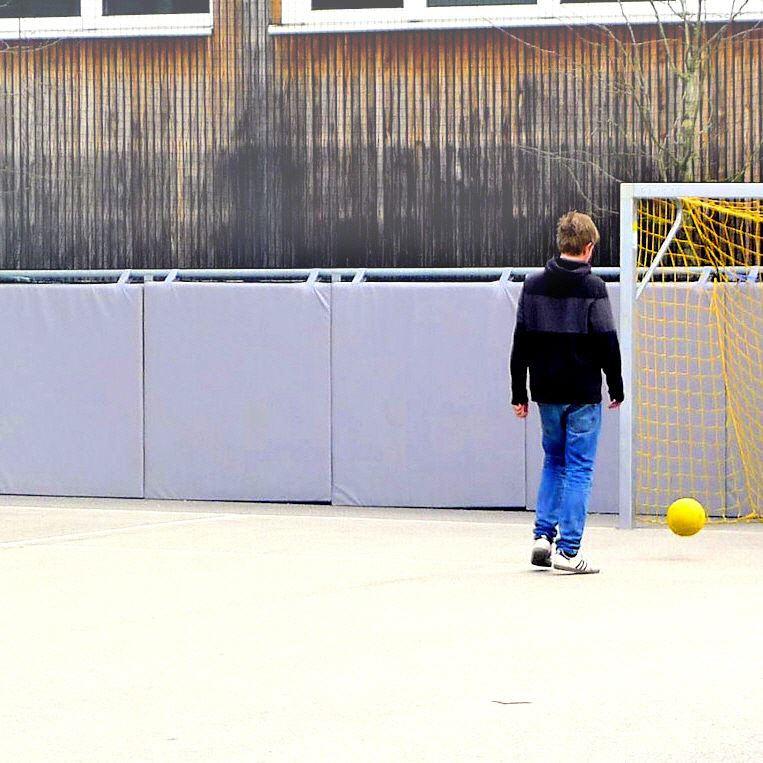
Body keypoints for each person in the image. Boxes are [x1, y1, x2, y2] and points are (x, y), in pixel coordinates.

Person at [510, 211, 624, 574]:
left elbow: (521, 342)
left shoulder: (533, 285)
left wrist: (519, 393)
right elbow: (607, 340)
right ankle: (569, 551)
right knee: (579, 468)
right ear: (589, 248)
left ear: (561, 244)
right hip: (582, 393)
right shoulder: (593, 288)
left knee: (553, 462)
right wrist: (616, 384)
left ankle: (542, 537)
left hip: (546, 391)